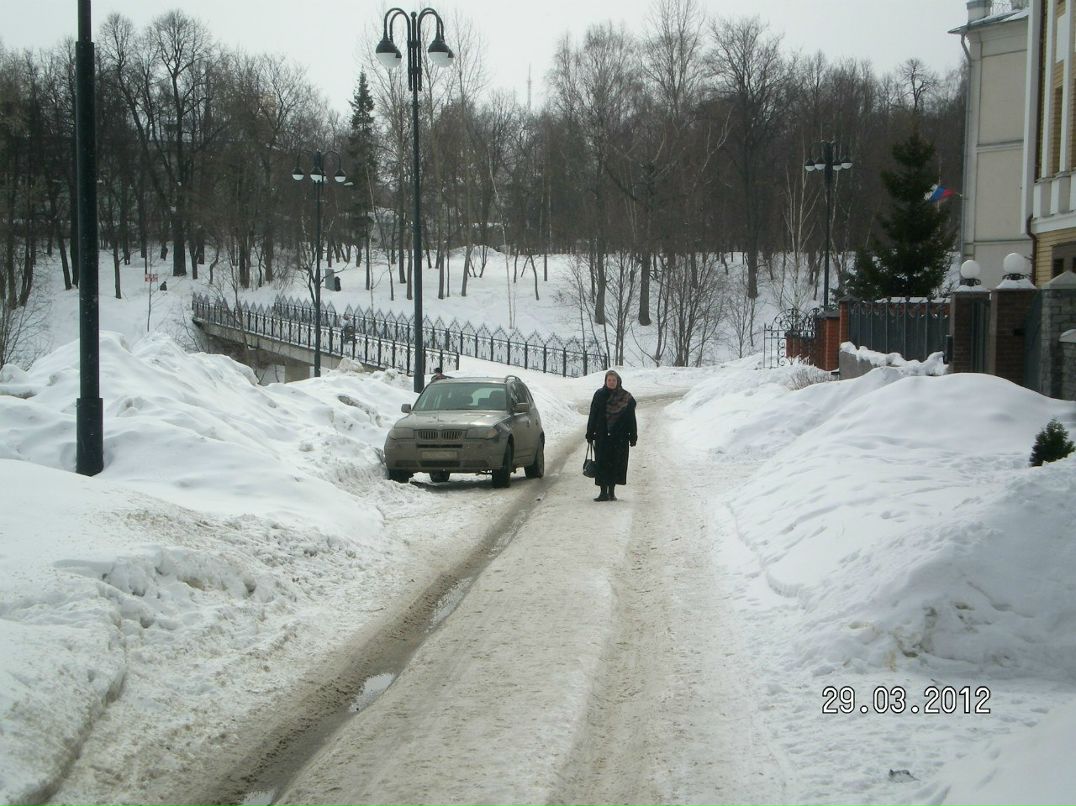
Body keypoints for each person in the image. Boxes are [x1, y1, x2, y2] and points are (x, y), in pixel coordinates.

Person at [585, 369, 638, 502]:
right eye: (609, 380)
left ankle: (612, 492)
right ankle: (603, 492)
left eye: (614, 380)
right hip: (602, 435)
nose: (611, 382)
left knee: (616, 463)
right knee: (602, 463)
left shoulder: (625, 397)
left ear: (618, 381)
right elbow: (593, 414)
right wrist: (590, 432)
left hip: (620, 436)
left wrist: (633, 435)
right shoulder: (599, 395)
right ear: (605, 381)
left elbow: (631, 418)